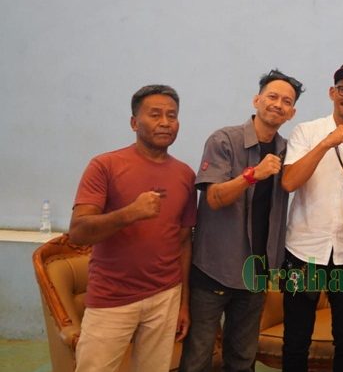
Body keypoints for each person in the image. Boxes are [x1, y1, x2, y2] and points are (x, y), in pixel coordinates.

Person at [180, 70, 303, 372]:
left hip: (257, 273)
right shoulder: (224, 140)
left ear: (292, 113)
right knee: (197, 358)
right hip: (214, 270)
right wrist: (252, 175)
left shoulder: (287, 150)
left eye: (286, 101)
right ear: (257, 99)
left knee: (242, 359)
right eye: (272, 96)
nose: (278, 104)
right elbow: (214, 198)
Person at [69, 85, 197, 372]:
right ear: (134, 122)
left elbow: (183, 240)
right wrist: (130, 213)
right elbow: (78, 231)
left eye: (172, 115)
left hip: (166, 295)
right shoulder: (105, 165)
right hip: (111, 297)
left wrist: (183, 303)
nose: (165, 122)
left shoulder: (185, 175)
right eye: (155, 115)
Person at [280, 62, 343, 372]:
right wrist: (326, 143)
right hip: (303, 252)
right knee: (297, 338)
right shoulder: (306, 132)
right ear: (332, 92)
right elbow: (288, 183)